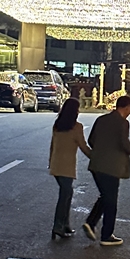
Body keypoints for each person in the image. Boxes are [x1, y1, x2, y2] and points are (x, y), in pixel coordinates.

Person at [83, 94, 130, 246]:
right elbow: (124, 142)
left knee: (105, 196)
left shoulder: (101, 119)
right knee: (111, 201)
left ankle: (91, 223)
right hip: (112, 167)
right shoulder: (123, 123)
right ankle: (106, 235)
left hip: (96, 164)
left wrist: (100, 150)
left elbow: (91, 140)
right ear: (126, 107)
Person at [48, 98, 90, 239]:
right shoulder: (76, 127)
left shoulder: (57, 125)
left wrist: (50, 162)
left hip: (56, 164)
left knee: (67, 193)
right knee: (65, 195)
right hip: (67, 166)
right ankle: (58, 226)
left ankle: (65, 224)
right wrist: (96, 157)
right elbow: (83, 147)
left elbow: (52, 145)